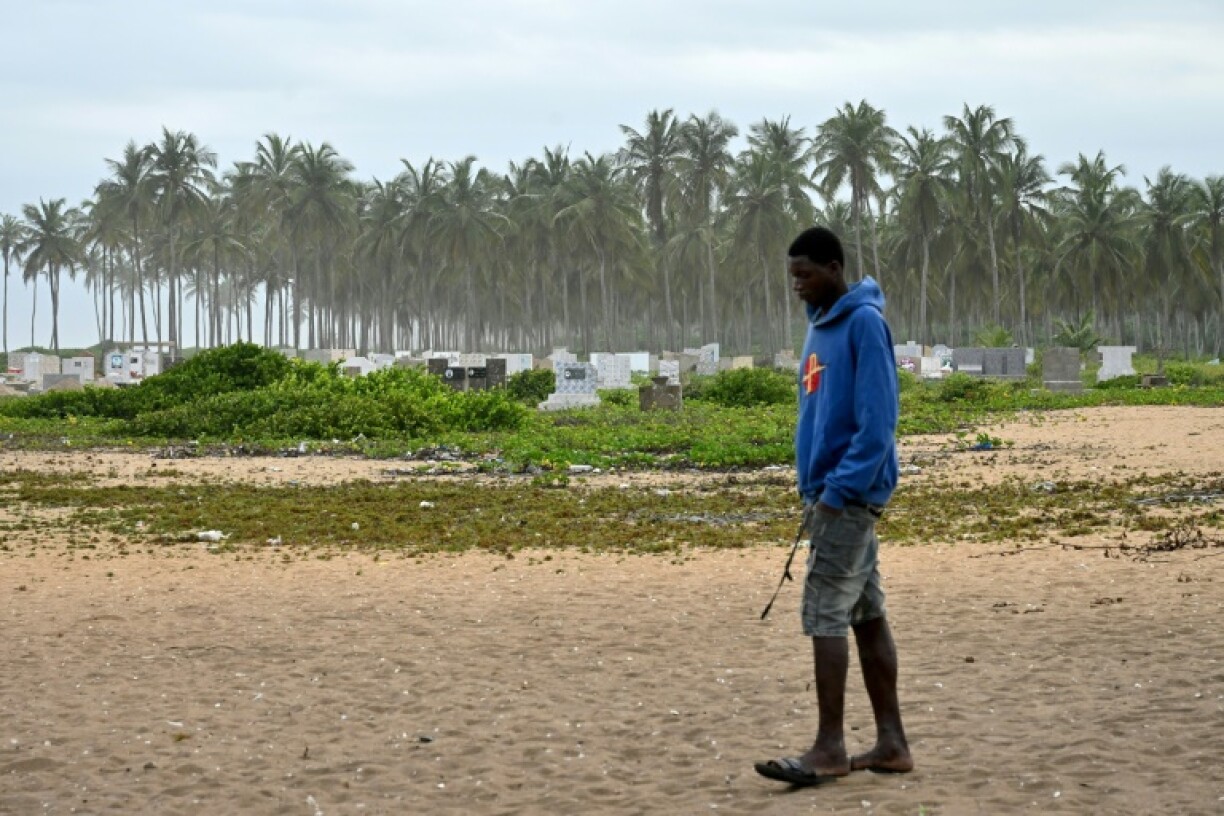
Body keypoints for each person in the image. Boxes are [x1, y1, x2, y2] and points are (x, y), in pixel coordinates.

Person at [755, 226, 913, 787]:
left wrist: (838, 491)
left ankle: (829, 748)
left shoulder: (865, 324)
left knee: (825, 612)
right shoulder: (818, 329)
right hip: (825, 495)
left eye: (806, 274)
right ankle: (892, 744)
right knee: (867, 615)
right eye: (791, 276)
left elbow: (878, 425)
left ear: (834, 267)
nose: (797, 285)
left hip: (847, 498)